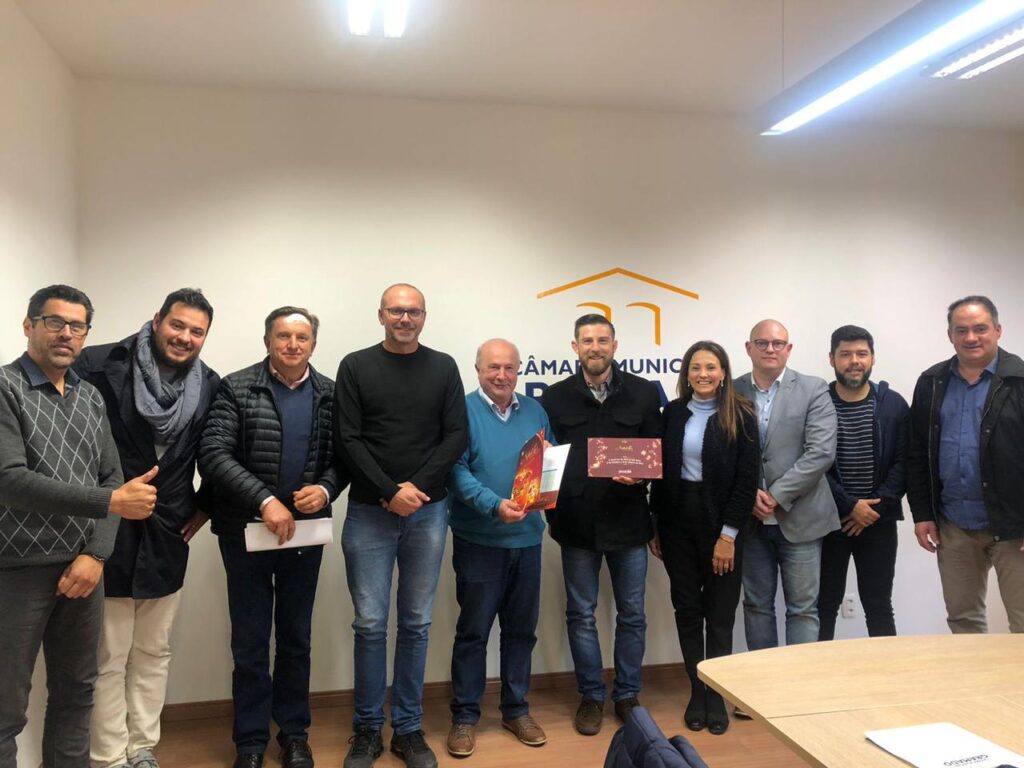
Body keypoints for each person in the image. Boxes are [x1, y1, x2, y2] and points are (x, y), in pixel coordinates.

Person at [0, 284, 157, 768]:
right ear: (29, 325)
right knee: (5, 706)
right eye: (55, 322)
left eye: (77, 326)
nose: (66, 333)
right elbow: (9, 480)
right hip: (16, 568)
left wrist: (96, 553)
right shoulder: (5, 388)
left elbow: (111, 476)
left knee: (76, 693)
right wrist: (111, 501)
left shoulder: (90, 397)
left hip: (84, 569)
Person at [75, 288, 220, 768]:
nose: (185, 337)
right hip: (106, 528)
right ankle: (108, 755)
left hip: (168, 532)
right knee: (108, 654)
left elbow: (219, 452)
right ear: (157, 320)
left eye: (197, 331)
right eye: (177, 325)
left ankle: (141, 747)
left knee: (154, 650)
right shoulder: (97, 365)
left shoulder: (210, 385)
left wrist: (203, 506)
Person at [199, 306, 344, 768]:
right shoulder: (236, 387)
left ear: (313, 344)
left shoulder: (331, 393)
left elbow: (345, 457)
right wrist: (264, 500)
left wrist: (325, 489)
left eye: (302, 337)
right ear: (268, 341)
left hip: (305, 535)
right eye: (283, 336)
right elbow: (214, 454)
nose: (293, 345)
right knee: (250, 643)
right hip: (246, 534)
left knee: (297, 639)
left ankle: (294, 736)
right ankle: (250, 742)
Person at [334, 284, 467, 768]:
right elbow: (347, 439)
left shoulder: (444, 367)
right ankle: (368, 729)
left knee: (416, 623)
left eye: (413, 311)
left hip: (428, 513)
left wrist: (416, 490)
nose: (405, 318)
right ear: (381, 315)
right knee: (370, 625)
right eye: (396, 311)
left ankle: (408, 729)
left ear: (424, 317)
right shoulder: (355, 366)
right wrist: (390, 491)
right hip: (369, 513)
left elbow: (456, 435)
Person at [539, 314, 662, 736]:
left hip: (629, 522)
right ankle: (591, 695)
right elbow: (547, 461)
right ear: (575, 347)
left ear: (615, 345)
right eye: (587, 340)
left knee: (633, 614)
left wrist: (642, 477)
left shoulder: (644, 392)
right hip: (576, 524)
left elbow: (657, 453)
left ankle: (627, 695)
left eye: (603, 340)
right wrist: (552, 516)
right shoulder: (555, 397)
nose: (596, 347)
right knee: (581, 614)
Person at [445, 339, 552, 758]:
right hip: (479, 541)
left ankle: (516, 710)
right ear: (477, 370)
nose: (502, 375)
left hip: (528, 540)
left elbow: (547, 464)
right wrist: (493, 505)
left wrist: (547, 488)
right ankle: (464, 717)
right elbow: (455, 472)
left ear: (518, 370)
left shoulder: (536, 411)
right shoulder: (461, 411)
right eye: (493, 367)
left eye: (509, 368)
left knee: (521, 632)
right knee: (473, 633)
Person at [650, 341, 758, 736]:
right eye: (696, 367)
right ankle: (697, 690)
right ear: (687, 374)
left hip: (723, 526)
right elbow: (661, 473)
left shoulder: (741, 414)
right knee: (688, 610)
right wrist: (656, 524)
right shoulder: (674, 413)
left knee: (721, 614)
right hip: (677, 524)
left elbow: (747, 481)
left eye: (711, 367)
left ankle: (717, 693)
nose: (703, 374)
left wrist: (728, 536)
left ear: (724, 373)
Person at [907, 296, 1024, 633]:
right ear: (950, 335)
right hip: (954, 524)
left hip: (1014, 525)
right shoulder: (931, 382)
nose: (971, 337)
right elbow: (916, 452)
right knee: (963, 623)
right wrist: (923, 514)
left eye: (980, 328)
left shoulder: (1019, 380)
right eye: (962, 330)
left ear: (998, 330)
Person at [734, 319, 838, 654]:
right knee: (756, 605)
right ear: (749, 348)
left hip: (801, 517)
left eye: (777, 343)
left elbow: (821, 452)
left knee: (803, 608)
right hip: (750, 521)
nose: (770, 349)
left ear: (788, 349)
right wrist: (747, 494)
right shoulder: (731, 391)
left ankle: (799, 683)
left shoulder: (813, 389)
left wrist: (777, 495)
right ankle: (763, 683)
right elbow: (723, 451)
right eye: (762, 343)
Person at [819, 325, 909, 641]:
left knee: (879, 605)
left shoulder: (893, 404)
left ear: (872, 358)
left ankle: (888, 670)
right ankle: (820, 669)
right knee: (824, 605)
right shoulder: (817, 403)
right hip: (828, 521)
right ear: (832, 358)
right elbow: (811, 463)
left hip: (878, 520)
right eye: (845, 354)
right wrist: (849, 505)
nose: (854, 361)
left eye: (861, 353)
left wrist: (872, 509)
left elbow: (904, 462)